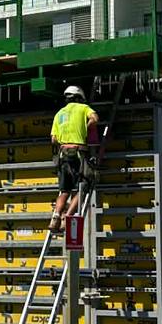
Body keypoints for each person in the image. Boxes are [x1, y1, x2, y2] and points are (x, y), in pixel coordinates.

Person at [49, 84, 99, 233]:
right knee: (83, 187)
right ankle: (67, 217)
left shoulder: (59, 114)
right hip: (79, 152)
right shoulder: (84, 108)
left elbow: (53, 139)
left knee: (64, 190)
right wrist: (85, 127)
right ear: (79, 98)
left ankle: (56, 216)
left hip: (64, 154)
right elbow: (95, 119)